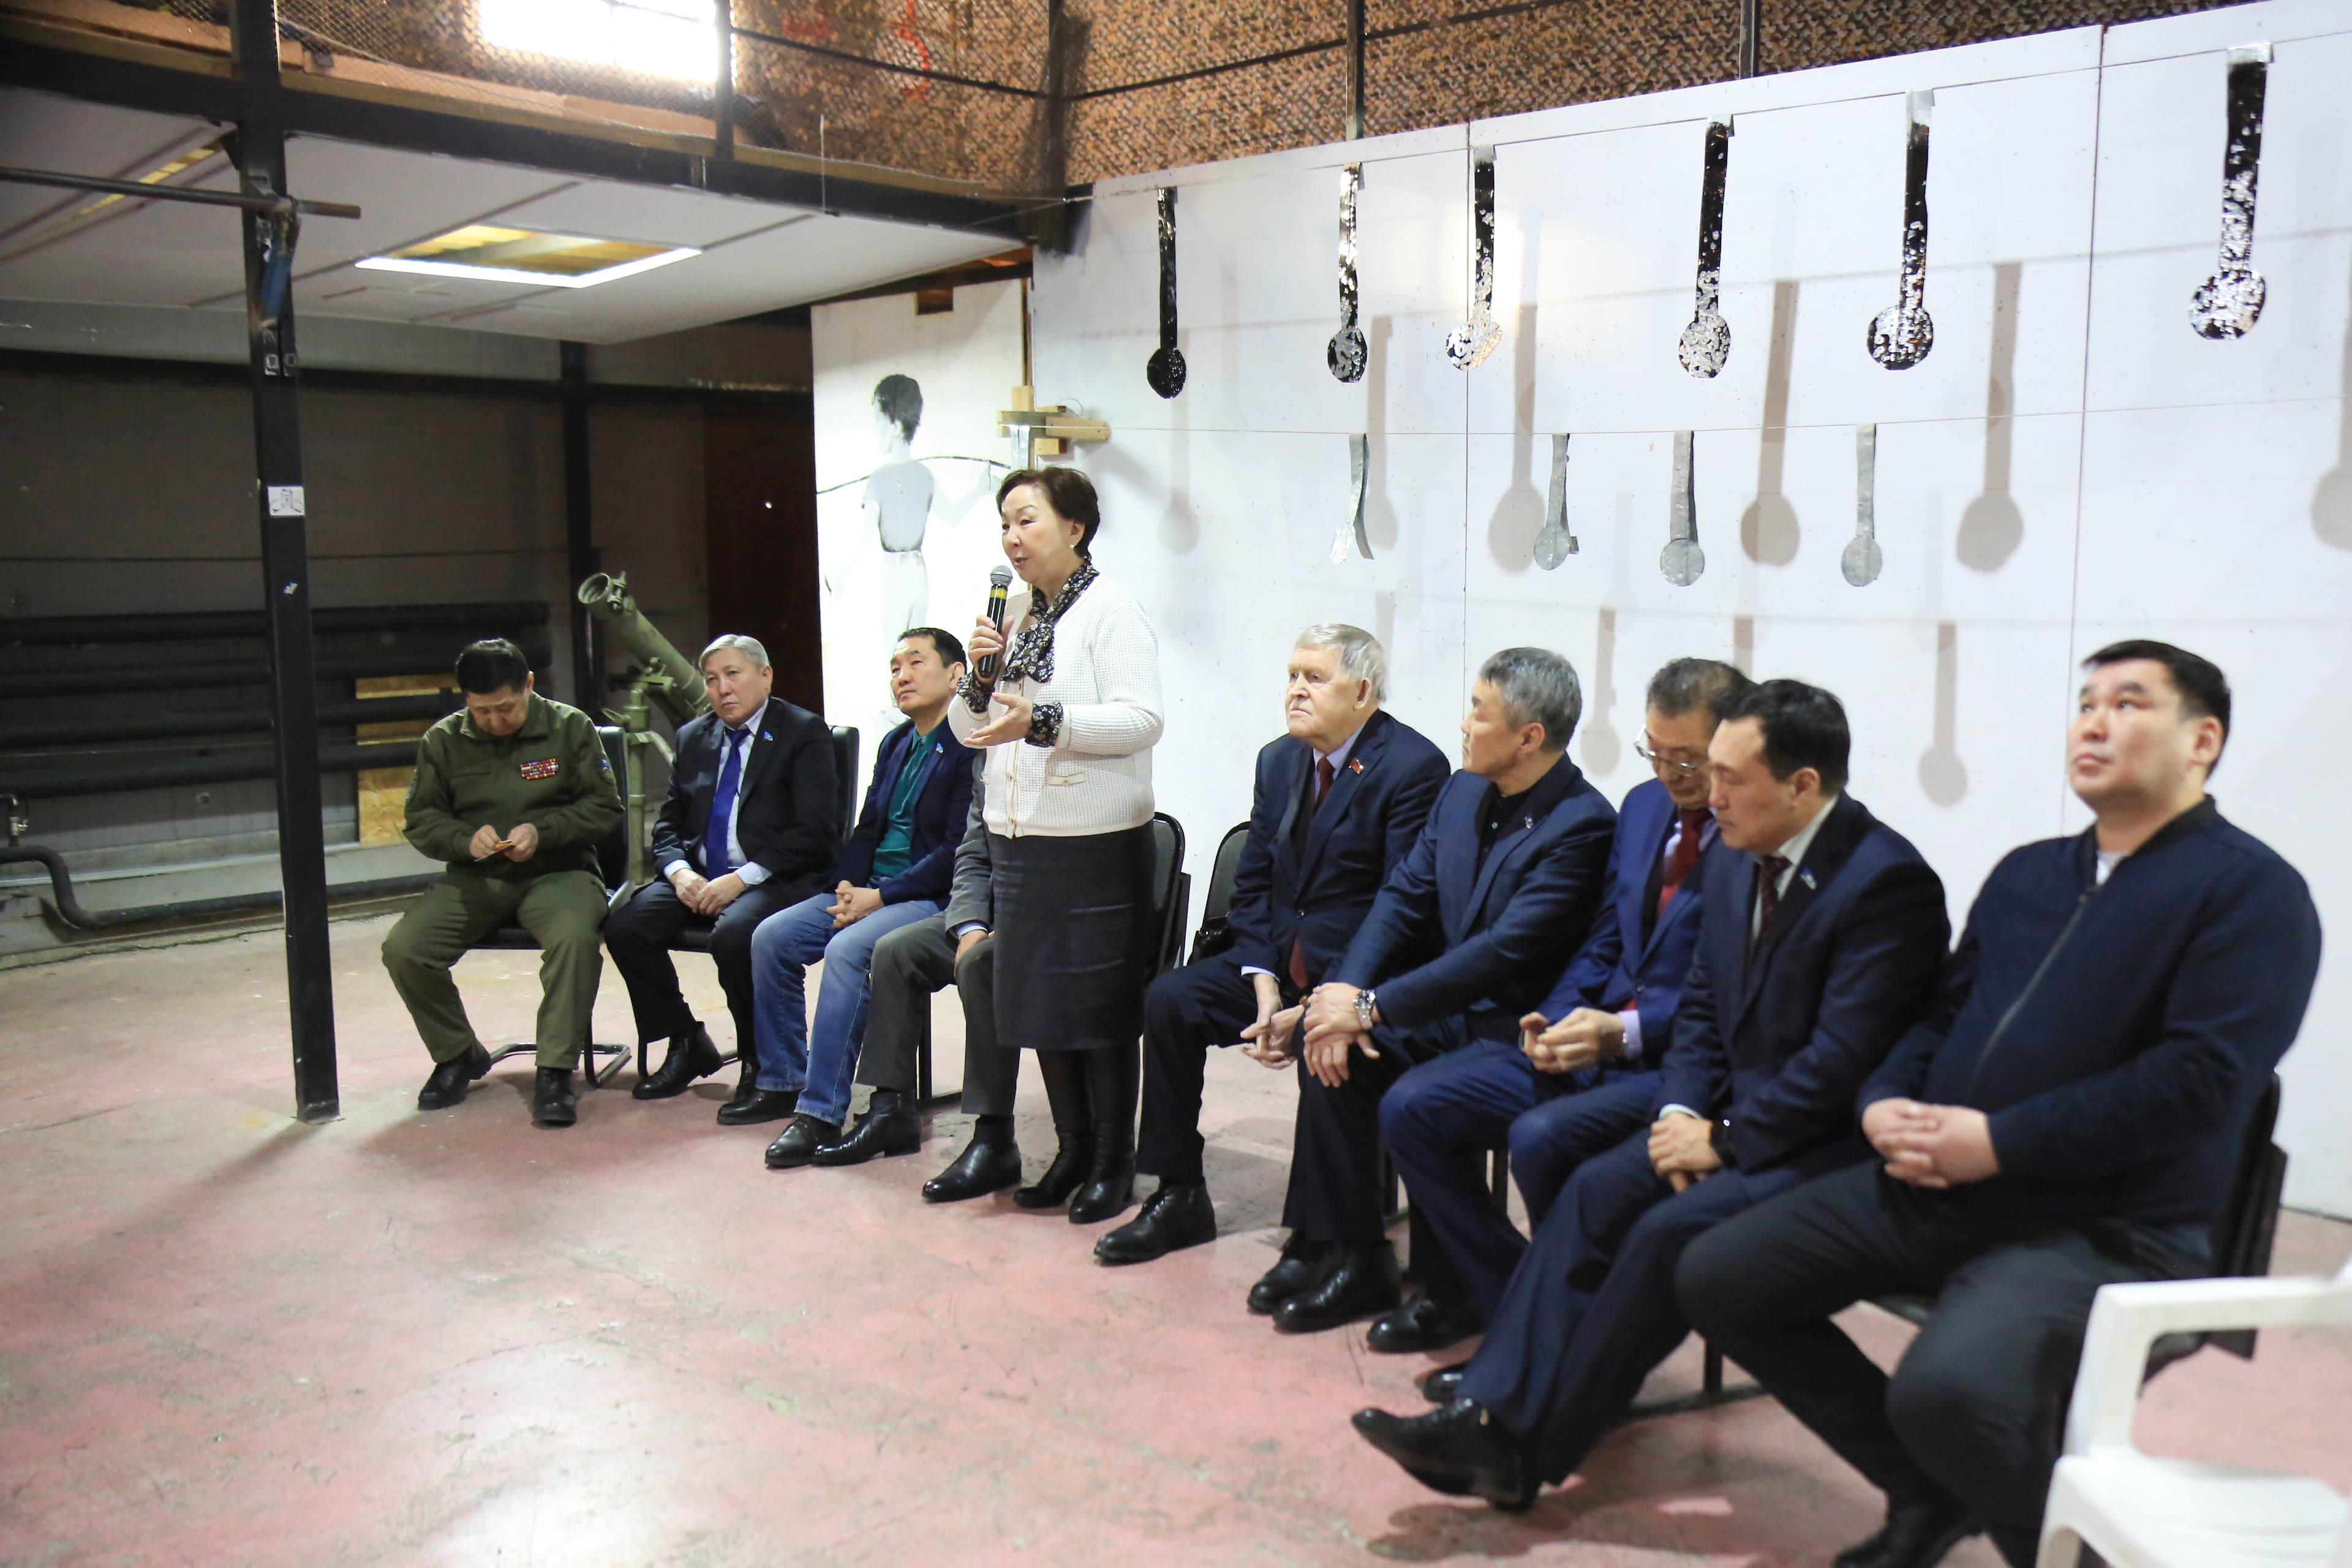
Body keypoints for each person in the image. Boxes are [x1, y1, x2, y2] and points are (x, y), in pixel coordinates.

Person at [1678, 643, 2320, 1568]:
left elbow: (2200, 1082)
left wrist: (2000, 1143)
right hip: (1943, 1186)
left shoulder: (2251, 893)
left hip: (2105, 1225)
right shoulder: (2032, 873)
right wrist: (1884, 1100)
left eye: (2129, 704)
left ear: (2202, 741)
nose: (2094, 723)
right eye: (2086, 703)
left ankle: (2068, 1551)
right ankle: (1934, 1491)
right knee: (1719, 1276)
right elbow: (1942, 1011)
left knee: (1948, 1395)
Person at [1351, 679, 1950, 1512]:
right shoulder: (1741, 853)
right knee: (1596, 1188)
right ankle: (1494, 1409)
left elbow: (1841, 1061)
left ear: (1802, 785)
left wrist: (1725, 1134)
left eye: (1726, 775)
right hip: (1709, 1110)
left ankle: (1513, 1439)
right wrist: (1678, 1110)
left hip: (1818, 1139)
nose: (1710, 794)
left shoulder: (1886, 883)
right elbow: (1704, 1004)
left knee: (1664, 1233)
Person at [1374, 657, 1748, 1357]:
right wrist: (1557, 1012)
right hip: (1592, 1034)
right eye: (1655, 752)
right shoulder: (1643, 808)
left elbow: (1732, 992)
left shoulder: (1751, 835)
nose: (1669, 773)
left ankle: (1564, 1337)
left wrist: (1624, 1031)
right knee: (1413, 1105)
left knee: (1543, 1136)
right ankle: (1513, 1299)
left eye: (1688, 759)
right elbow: (1605, 937)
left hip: (1677, 1066)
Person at [1271, 647, 1618, 1335]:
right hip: (1447, 1011)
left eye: (1479, 712)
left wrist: (1370, 1006)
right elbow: (1402, 896)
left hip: (1514, 1027)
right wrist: (1342, 992)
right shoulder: (1462, 792)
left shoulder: (1582, 823)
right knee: (1330, 1045)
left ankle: (1454, 1282)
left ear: (1529, 737)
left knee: (1416, 1092)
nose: (1463, 724)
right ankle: (1353, 1253)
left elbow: (1502, 953)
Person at [1094, 625, 1450, 1266]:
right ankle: (1178, 1193)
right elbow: (1254, 881)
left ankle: (1317, 1235)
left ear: (1362, 692)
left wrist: (1316, 1003)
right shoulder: (1278, 759)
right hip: (1277, 961)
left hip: (1359, 975)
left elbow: (1400, 908)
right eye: (1291, 675)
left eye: (1315, 678)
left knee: (1324, 1035)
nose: (1296, 691)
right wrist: (1262, 983)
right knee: (1171, 1001)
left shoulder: (1413, 766)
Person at [947, 465, 1164, 1226]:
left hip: (1093, 847)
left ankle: (1112, 1162)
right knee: (1043, 1007)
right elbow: (969, 731)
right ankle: (1071, 1151)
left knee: (1096, 1012)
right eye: (1005, 523)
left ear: (1074, 527)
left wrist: (1043, 722)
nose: (1013, 537)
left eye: (1027, 520)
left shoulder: (1112, 610)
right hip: (1022, 843)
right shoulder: (1018, 617)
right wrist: (978, 676)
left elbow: (1142, 719)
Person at [750, 629, 976, 1163]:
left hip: (930, 897)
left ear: (956, 675)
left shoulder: (972, 743)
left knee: (848, 951)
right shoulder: (896, 742)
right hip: (870, 891)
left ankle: (818, 1112)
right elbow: (868, 827)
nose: (902, 676)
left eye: (916, 663)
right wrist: (850, 887)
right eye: (895, 667)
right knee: (771, 938)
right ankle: (784, 1079)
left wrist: (881, 896)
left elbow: (955, 851)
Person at [382, 638, 621, 1128]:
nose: (494, 721)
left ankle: (555, 1070)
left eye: (506, 708)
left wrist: (545, 832)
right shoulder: (443, 741)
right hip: (477, 877)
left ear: (529, 685)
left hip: (559, 872)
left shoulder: (571, 728)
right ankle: (457, 1054)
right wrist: (464, 840)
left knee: (575, 941)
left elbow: (603, 808)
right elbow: (422, 819)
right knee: (405, 949)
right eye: (481, 711)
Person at [605, 635, 843, 1117]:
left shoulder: (803, 732)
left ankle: (759, 1059)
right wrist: (679, 874)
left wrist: (742, 879)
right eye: (712, 680)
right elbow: (669, 825)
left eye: (733, 674)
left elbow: (815, 830)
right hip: (700, 876)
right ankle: (684, 1039)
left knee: (735, 935)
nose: (722, 689)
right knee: (626, 926)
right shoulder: (694, 736)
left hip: (777, 876)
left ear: (765, 676)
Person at [851, 780, 1027, 1199]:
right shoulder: (990, 759)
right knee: (896, 951)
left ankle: (994, 1136)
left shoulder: (1060, 759)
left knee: (980, 965)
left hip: (1041, 915)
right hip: (988, 911)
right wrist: (971, 925)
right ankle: (891, 1110)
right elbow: (973, 855)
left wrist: (1012, 924)